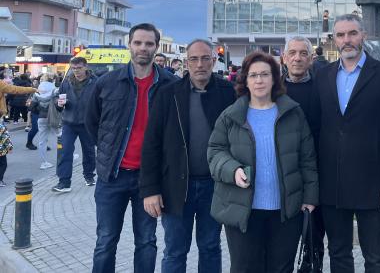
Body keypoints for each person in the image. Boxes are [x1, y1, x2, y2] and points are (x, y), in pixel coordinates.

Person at [208, 51, 318, 272]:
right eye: (253, 75)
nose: (259, 80)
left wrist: (310, 197)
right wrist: (233, 170)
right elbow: (215, 151)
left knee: (281, 268)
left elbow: (307, 159)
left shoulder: (293, 113)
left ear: (274, 79)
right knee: (245, 267)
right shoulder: (230, 116)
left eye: (265, 74)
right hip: (242, 209)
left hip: (285, 211)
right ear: (245, 80)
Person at [317, 13, 380, 272]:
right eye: (341, 35)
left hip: (372, 183)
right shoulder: (322, 76)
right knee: (338, 253)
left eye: (352, 33)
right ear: (334, 39)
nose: (347, 40)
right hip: (332, 182)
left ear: (363, 36)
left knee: (375, 256)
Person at [85, 23, 177, 273]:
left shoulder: (171, 84)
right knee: (105, 241)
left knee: (146, 241)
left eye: (149, 43)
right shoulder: (107, 82)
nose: (143, 48)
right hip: (112, 177)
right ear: (129, 45)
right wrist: (109, 151)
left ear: (156, 47)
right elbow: (92, 123)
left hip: (149, 180)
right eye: (138, 42)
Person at [140, 39, 235, 273]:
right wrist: (150, 190)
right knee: (175, 250)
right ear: (186, 62)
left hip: (214, 187)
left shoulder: (228, 93)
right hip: (176, 187)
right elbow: (151, 144)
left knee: (210, 247)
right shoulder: (168, 94)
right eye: (194, 59)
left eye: (205, 58)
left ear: (214, 61)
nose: (200, 64)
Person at [282, 36, 325, 272]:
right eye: (292, 53)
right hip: (281, 177)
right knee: (282, 246)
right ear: (284, 58)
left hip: (315, 174)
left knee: (313, 240)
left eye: (303, 53)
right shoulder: (272, 90)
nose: (297, 58)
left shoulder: (323, 89)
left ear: (311, 59)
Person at [51, 57, 98, 192]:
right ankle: (64, 182)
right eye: (73, 68)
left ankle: (89, 176)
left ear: (86, 67)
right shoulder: (66, 82)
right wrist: (58, 103)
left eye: (79, 68)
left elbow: (101, 101)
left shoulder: (95, 82)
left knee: (89, 151)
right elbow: (58, 98)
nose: (76, 71)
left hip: (87, 123)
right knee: (65, 151)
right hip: (69, 122)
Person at [31, 79, 61, 170]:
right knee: (61, 136)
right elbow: (59, 107)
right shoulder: (54, 93)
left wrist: (40, 111)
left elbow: (31, 108)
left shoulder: (37, 95)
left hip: (41, 118)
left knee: (42, 141)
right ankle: (66, 156)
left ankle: (44, 162)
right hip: (53, 118)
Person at [0, 120, 12, 187]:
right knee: (3, 164)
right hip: (1, 151)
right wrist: (9, 147)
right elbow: (5, 138)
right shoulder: (1, 127)